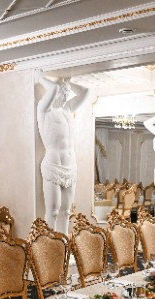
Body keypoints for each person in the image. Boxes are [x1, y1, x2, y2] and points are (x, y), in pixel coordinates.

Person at [36, 71, 91, 234]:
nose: (66, 95)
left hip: (70, 167)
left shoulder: (67, 109)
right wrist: (40, 78)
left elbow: (86, 92)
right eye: (64, 91)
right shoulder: (44, 110)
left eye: (67, 92)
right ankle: (50, 246)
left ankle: (64, 246)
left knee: (66, 212)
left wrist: (68, 81)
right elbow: (52, 89)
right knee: (53, 211)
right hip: (53, 165)